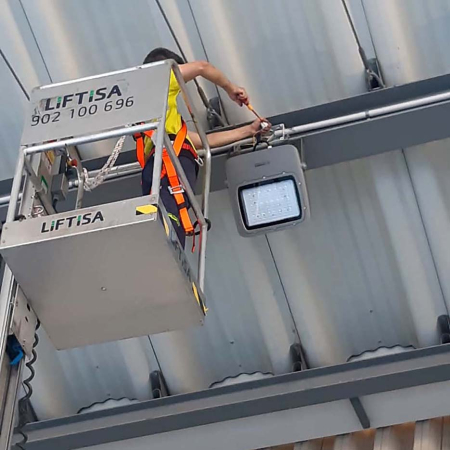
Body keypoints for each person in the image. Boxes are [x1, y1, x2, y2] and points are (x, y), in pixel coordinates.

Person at [139, 47, 266, 248]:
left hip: (162, 167)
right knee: (166, 216)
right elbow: (202, 67)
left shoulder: (157, 117)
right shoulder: (162, 79)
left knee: (167, 214)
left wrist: (248, 131)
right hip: (169, 165)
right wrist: (230, 87)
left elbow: (202, 140)